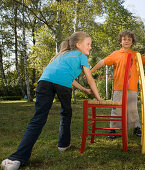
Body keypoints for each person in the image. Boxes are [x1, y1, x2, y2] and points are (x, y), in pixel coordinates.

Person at [1, 31, 103, 170]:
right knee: (66, 113)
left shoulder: (61, 55)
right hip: (61, 85)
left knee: (38, 119)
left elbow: (67, 77)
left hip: (44, 82)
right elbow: (89, 78)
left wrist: (84, 90)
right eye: (88, 44)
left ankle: (16, 159)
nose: (90, 47)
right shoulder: (81, 55)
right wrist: (98, 97)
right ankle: (63, 145)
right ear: (78, 45)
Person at [90, 30, 145, 139]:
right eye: (124, 39)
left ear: (132, 42)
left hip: (132, 87)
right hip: (118, 87)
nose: (127, 41)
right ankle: (113, 129)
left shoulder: (136, 54)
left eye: (129, 39)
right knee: (117, 109)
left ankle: (136, 127)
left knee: (132, 109)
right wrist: (91, 71)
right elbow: (102, 62)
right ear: (120, 41)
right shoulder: (116, 54)